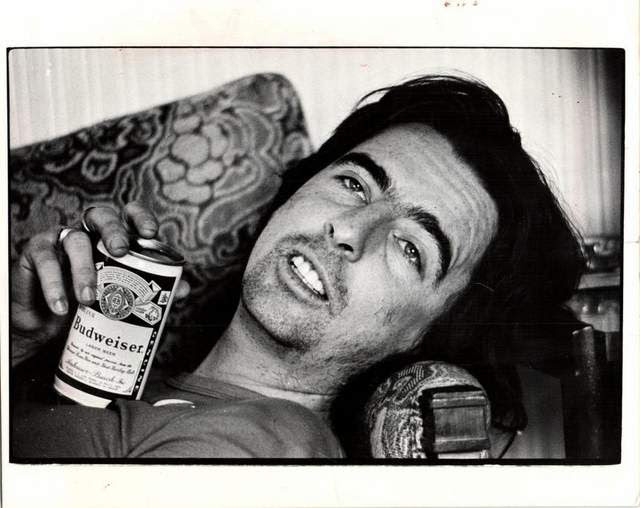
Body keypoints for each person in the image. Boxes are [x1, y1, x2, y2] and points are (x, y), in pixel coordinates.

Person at [10, 74, 584, 459]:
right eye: (354, 183)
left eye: (411, 248)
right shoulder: (150, 386)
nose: (349, 230)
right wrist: (21, 340)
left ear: (428, 334)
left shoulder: (269, 444)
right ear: (294, 192)